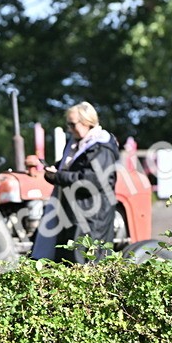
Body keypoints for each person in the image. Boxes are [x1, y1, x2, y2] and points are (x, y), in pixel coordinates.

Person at [31, 101, 120, 262]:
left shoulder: (101, 148)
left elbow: (91, 181)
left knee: (83, 263)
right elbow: (68, 167)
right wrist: (52, 170)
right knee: (66, 260)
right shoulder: (76, 144)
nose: (69, 129)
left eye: (72, 124)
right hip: (73, 213)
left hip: (91, 217)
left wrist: (58, 176)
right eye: (68, 125)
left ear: (87, 122)